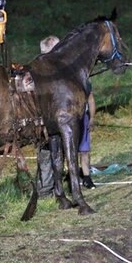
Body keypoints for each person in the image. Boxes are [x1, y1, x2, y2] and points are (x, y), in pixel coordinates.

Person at [36, 35, 96, 197]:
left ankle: (69, 183)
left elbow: (89, 96)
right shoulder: (39, 76)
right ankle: (47, 189)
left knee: (71, 152)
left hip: (68, 122)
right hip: (47, 124)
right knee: (48, 155)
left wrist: (91, 116)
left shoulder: (69, 77)